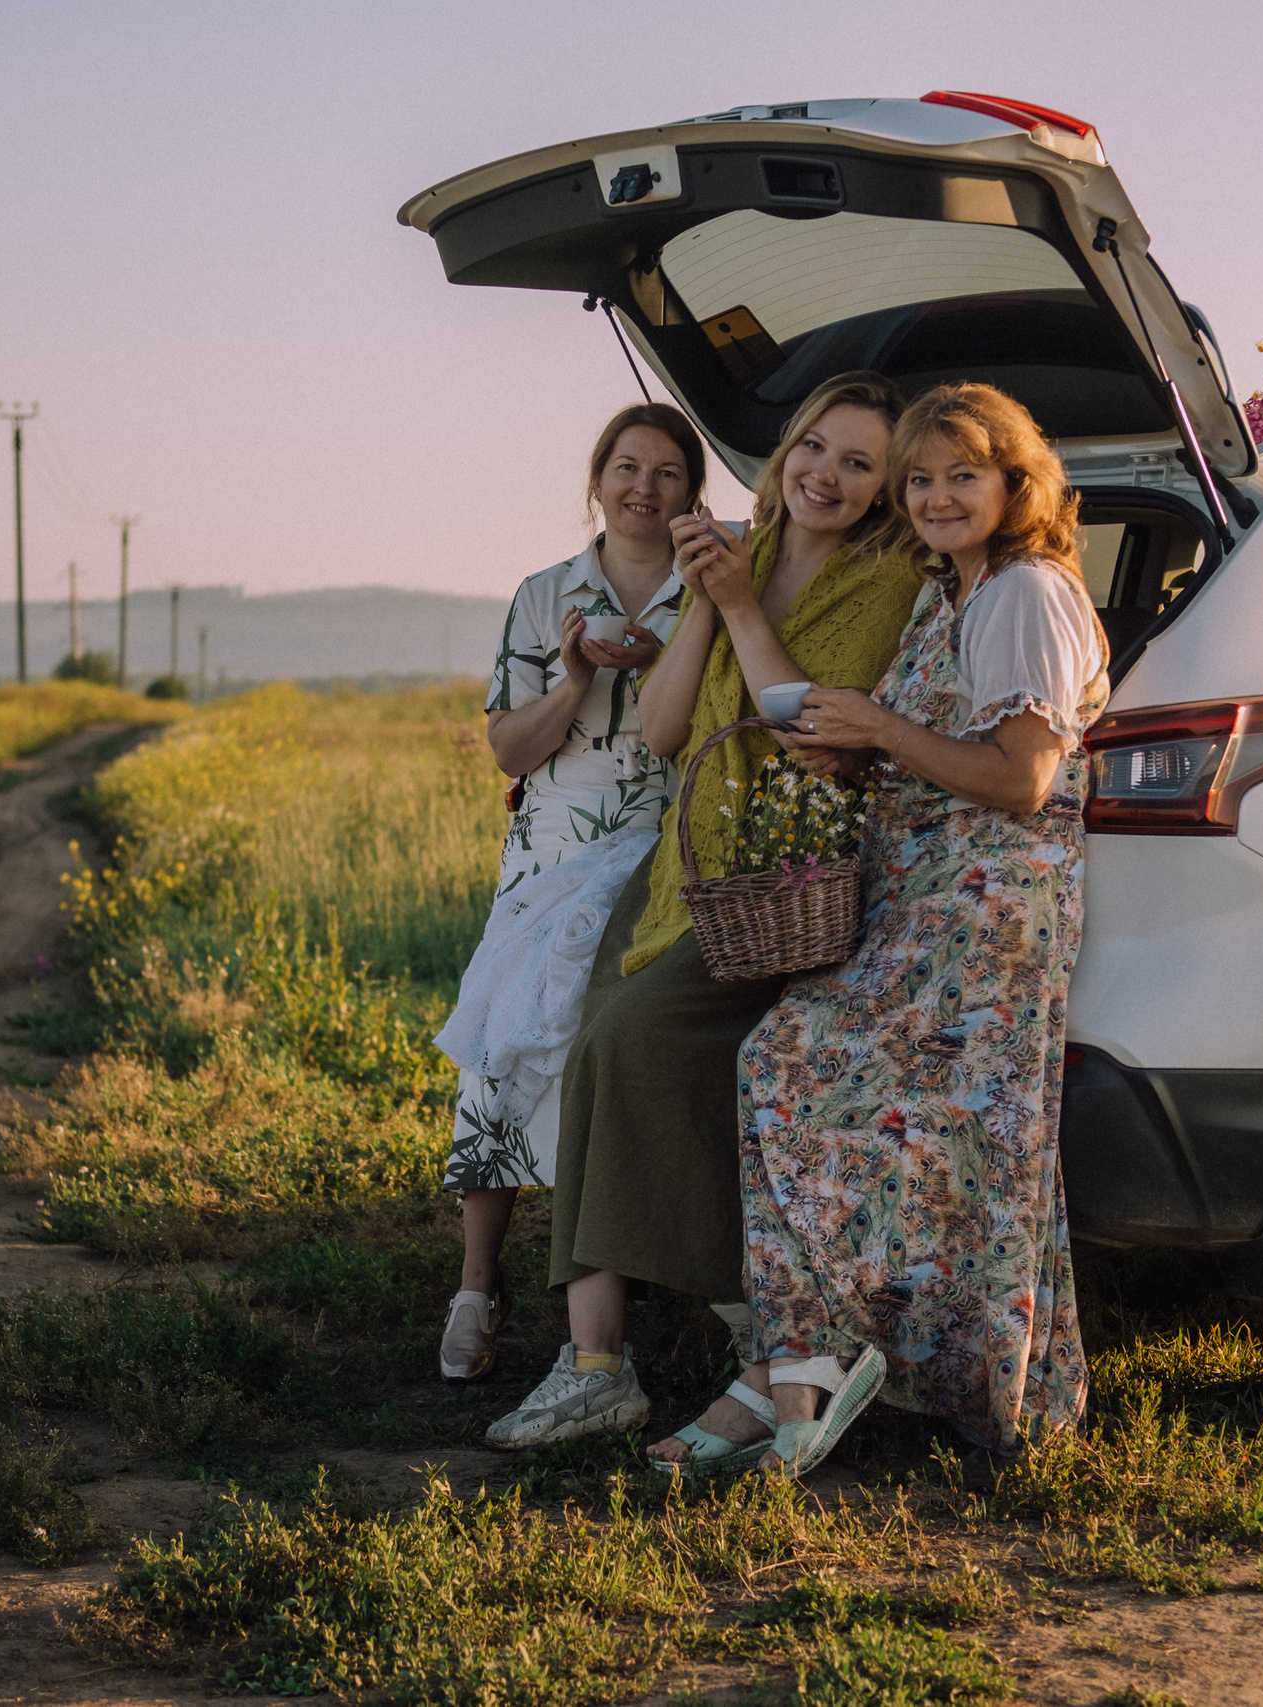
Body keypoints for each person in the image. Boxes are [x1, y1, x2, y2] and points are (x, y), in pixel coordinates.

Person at [481, 373, 924, 1451]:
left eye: (857, 463)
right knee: (598, 1050)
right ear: (784, 455)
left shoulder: (885, 580)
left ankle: (758, 1328)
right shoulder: (750, 550)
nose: (825, 474)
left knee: (633, 1046)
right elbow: (675, 731)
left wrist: (731, 606)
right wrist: (709, 597)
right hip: (688, 872)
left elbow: (804, 724)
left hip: (781, 884)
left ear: (880, 492)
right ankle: (595, 1363)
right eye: (813, 448)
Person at [729, 380, 1111, 1478]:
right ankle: (832, 1361)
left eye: (962, 475)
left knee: (810, 1075)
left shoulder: (1028, 594)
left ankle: (868, 1369)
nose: (938, 497)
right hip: (927, 895)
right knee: (935, 1146)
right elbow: (942, 747)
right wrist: (859, 748)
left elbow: (1025, 777)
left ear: (1012, 481)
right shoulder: (957, 593)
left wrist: (883, 726)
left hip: (989, 909)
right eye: (921, 479)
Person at [437, 401, 706, 1384]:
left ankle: (618, 1287)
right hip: (553, 840)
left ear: (691, 491)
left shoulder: (708, 590)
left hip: (668, 842)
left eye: (666, 472)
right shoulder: (545, 592)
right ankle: (476, 1283)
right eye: (626, 467)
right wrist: (575, 680)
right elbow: (506, 748)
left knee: (611, 1052)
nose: (643, 487)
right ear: (597, 478)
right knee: (506, 1050)